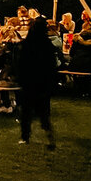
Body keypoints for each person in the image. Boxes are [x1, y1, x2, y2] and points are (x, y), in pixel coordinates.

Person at [16, 17, 59, 148]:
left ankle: (25, 137)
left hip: (29, 81)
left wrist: (21, 79)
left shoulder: (27, 44)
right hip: (43, 82)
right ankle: (49, 135)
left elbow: (21, 64)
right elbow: (52, 65)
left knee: (26, 112)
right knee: (44, 111)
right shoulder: (48, 45)